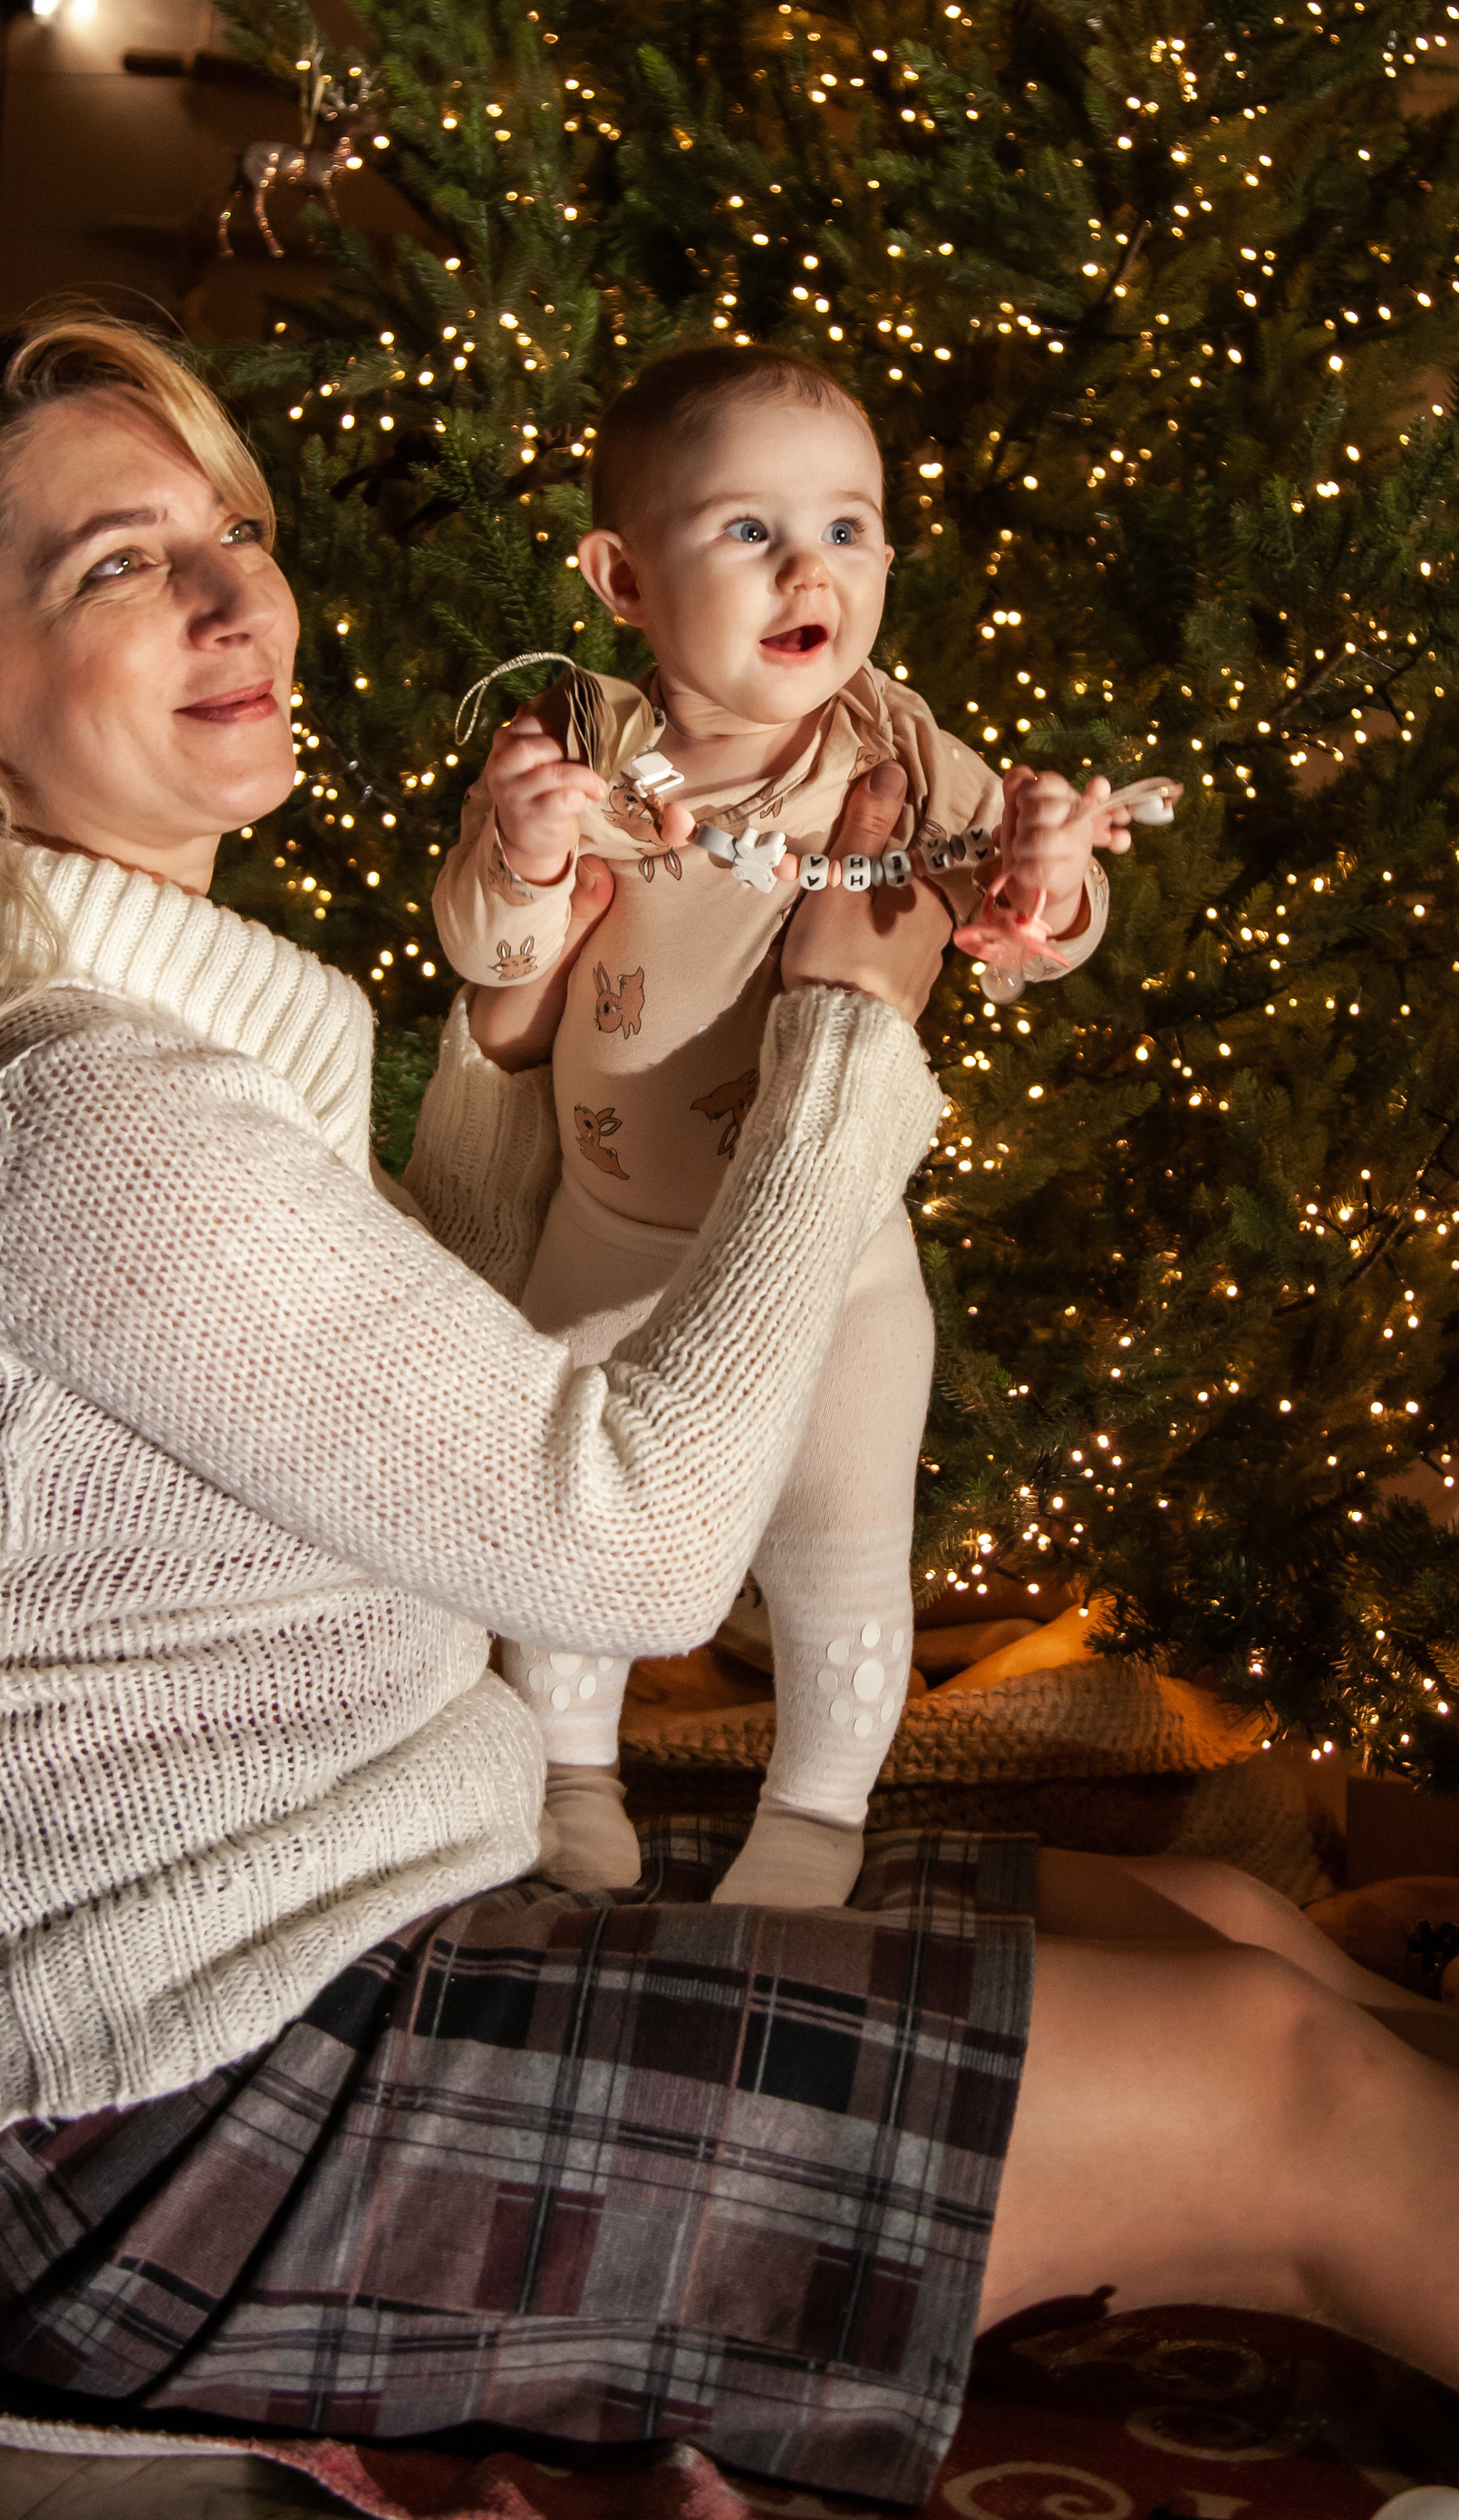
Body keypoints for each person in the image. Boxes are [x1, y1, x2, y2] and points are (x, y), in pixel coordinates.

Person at [0, 308, 1459, 2492]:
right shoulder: (59, 1103)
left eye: (226, 526)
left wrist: (504, 989)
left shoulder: (111, 1023)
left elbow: (421, 1351)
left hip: (377, 1905)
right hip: (163, 2137)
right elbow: (631, 1542)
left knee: (1212, 1933)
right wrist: (845, 1029)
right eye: (118, 561)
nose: (240, 588)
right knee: (1260, 2091)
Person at [433, 343, 1146, 1910]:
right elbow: (489, 969)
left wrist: (1044, 865)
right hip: (607, 1237)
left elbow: (1033, 931)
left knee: (838, 1554)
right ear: (623, 575)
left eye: (850, 526)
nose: (808, 566)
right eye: (748, 531)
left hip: (838, 1267)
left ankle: (814, 1824)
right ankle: (569, 1779)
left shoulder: (896, 755)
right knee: (563, 1522)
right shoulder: (586, 753)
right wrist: (527, 865)